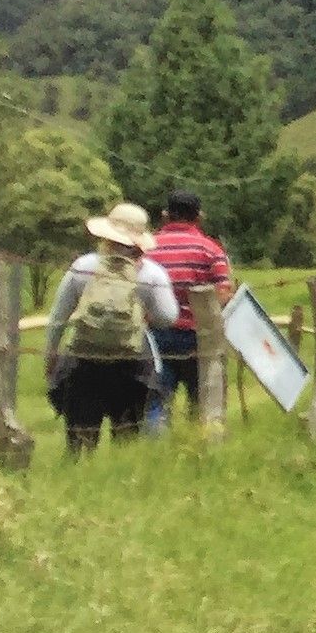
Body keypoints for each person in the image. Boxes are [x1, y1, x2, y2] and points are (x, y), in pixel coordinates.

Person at [46, 201, 179, 452]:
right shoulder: (152, 274)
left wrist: (51, 355)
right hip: (131, 364)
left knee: (80, 440)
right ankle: (121, 481)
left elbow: (58, 318)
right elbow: (169, 317)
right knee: (127, 438)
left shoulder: (83, 266)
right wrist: (142, 314)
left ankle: (79, 480)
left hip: (84, 360)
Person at [143, 188, 231, 431]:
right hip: (198, 337)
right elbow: (223, 295)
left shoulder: (147, 248)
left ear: (165, 215)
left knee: (156, 401)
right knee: (201, 401)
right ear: (199, 217)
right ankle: (199, 450)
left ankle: (155, 452)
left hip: (155, 335)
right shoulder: (210, 249)